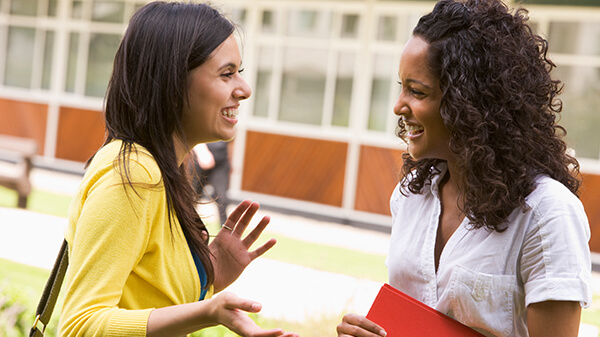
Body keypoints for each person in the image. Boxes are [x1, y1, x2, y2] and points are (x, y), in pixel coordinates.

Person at [337, 1, 591, 336]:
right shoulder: (412, 195)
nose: (399, 105)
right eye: (401, 87)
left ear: (467, 101)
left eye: (417, 91)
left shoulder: (546, 214)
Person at [58, 2, 297, 337]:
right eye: (227, 74)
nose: (244, 89)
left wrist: (210, 273)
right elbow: (79, 326)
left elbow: (143, 298)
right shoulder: (135, 175)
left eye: (239, 72)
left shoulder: (164, 169)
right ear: (171, 82)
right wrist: (206, 311)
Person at [192, 141, 231, 224]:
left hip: (220, 161)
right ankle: (187, 225)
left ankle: (224, 228)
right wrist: (201, 151)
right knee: (193, 196)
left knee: (222, 198)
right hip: (201, 158)